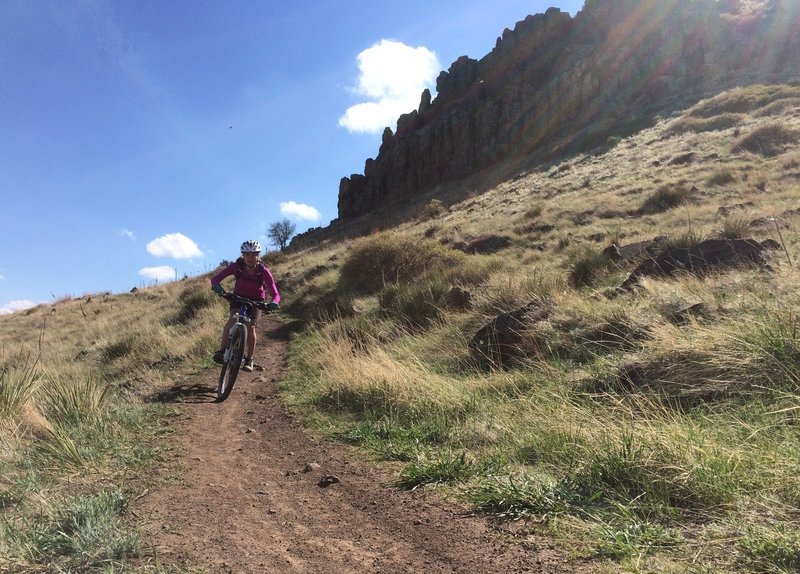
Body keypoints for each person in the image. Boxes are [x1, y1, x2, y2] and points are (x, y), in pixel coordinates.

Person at [210, 240, 280, 372]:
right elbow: (215, 279)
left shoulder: (263, 271)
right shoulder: (237, 266)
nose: (250, 258)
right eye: (247, 254)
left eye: (254, 254)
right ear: (243, 255)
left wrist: (274, 302)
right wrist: (217, 286)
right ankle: (222, 350)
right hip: (238, 298)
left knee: (251, 326)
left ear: (258, 256)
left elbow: (275, 292)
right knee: (234, 318)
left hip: (256, 300)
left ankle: (250, 359)